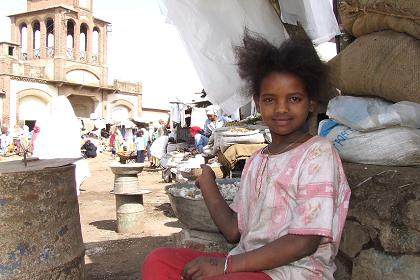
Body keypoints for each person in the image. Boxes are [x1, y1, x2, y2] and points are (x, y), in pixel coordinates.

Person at [142, 32, 351, 279]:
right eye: (270, 99)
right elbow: (233, 231)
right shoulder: (257, 160)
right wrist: (208, 183)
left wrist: (227, 267)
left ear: (312, 103)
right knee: (160, 262)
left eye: (294, 99)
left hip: (295, 273)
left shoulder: (318, 153)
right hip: (247, 265)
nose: (281, 108)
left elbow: (305, 241)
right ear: (258, 103)